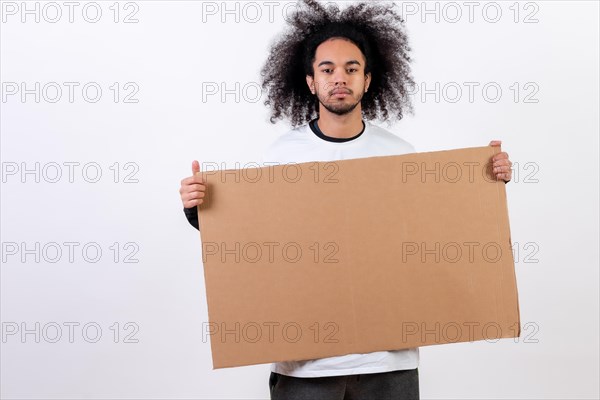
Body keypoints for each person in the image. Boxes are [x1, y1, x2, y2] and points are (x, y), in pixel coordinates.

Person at [179, 1, 512, 399]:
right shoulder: (281, 156)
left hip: (389, 363)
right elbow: (250, 238)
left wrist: (485, 180)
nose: (340, 78)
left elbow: (439, 233)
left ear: (368, 80)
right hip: (304, 366)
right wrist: (197, 207)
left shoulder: (399, 155)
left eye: (352, 68)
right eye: (328, 69)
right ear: (310, 81)